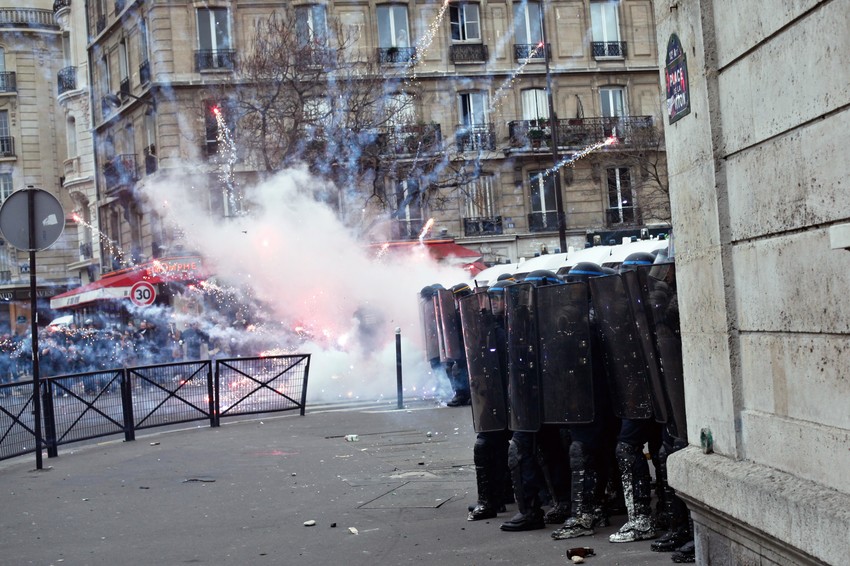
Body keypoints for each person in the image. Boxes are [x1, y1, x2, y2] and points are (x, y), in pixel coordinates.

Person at [551, 262, 618, 540]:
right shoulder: (598, 314)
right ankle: (595, 508)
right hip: (588, 396)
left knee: (584, 451)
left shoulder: (590, 317)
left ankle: (583, 516)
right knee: (596, 452)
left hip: (593, 396)